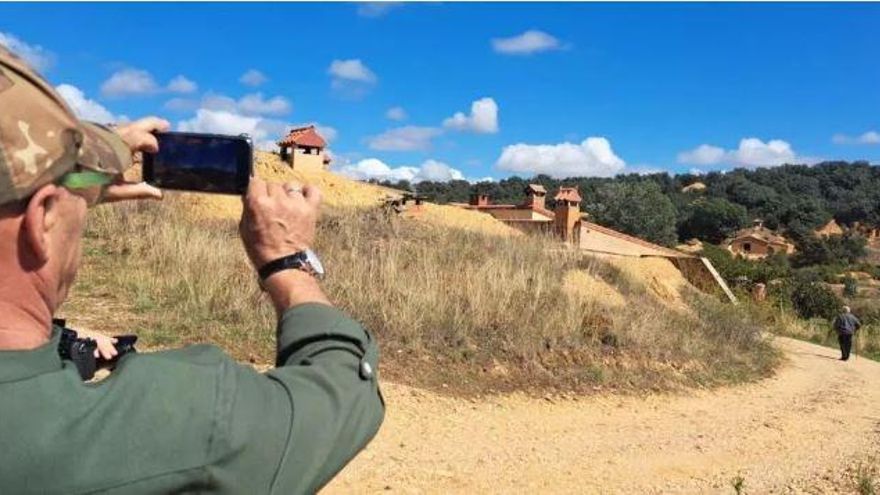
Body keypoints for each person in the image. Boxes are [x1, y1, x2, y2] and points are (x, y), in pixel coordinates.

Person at [0, 46, 383, 493]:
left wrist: (73, 186)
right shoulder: (188, 420)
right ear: (42, 218)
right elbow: (345, 387)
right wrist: (288, 259)